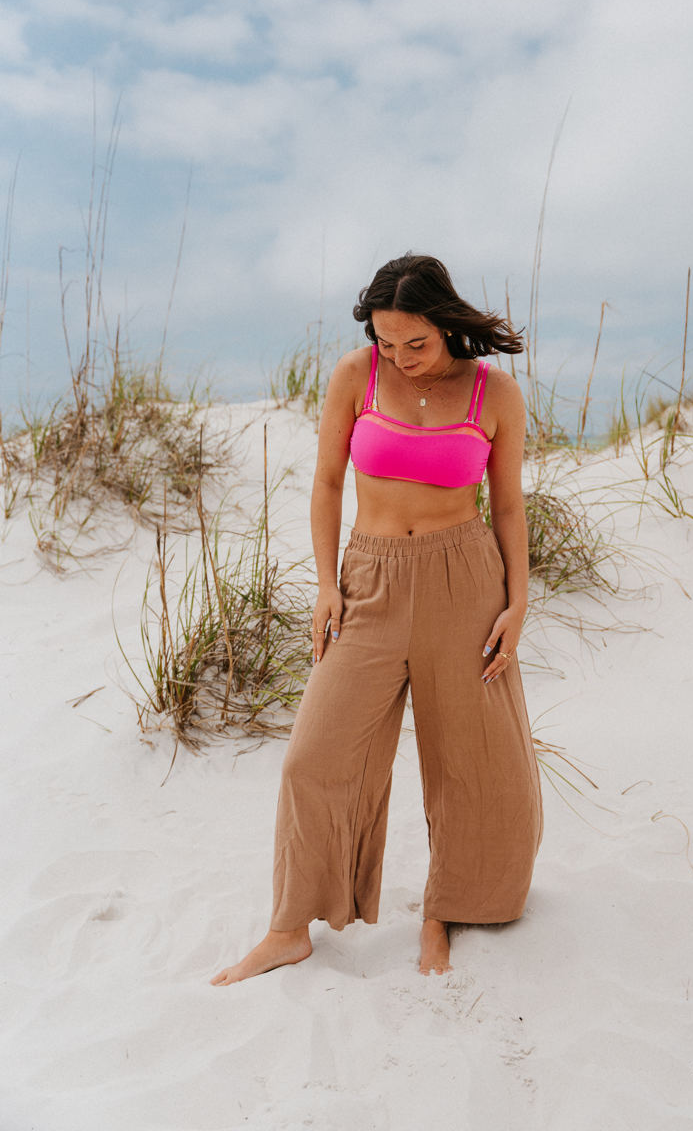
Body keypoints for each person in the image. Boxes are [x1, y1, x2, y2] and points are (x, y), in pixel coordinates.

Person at [212, 253, 543, 984]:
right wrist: (327, 584)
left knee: (475, 765)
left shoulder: (496, 394)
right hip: (370, 578)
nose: (399, 358)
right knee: (314, 755)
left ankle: (442, 912)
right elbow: (328, 482)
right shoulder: (354, 377)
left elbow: (510, 506)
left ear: (447, 325)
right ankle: (289, 927)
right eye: (386, 342)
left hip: (466, 582)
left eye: (414, 344)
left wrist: (519, 603)